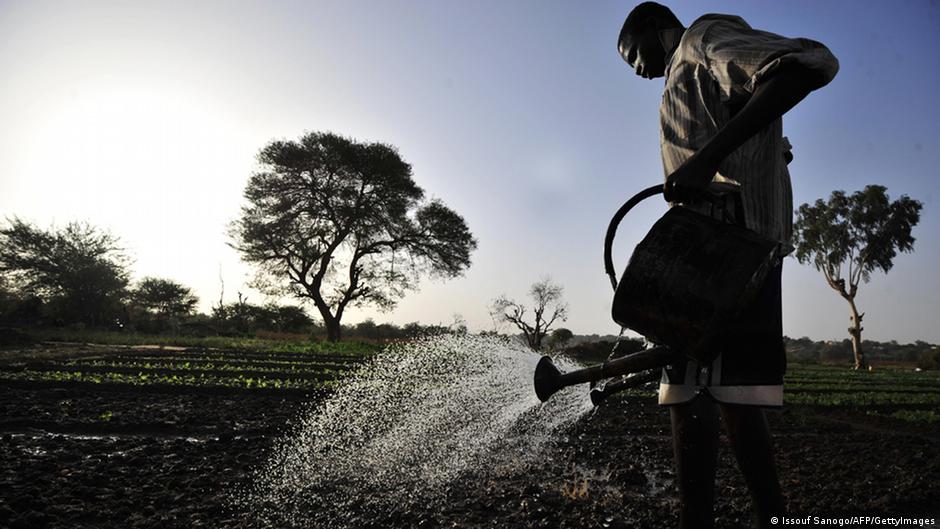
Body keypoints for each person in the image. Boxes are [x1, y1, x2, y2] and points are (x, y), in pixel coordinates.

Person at [616, 3, 838, 528]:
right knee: (730, 394)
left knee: (692, 393)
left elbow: (806, 65)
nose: (636, 70)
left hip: (724, 251)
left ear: (652, 27)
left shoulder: (702, 40)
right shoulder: (685, 71)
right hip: (724, 244)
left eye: (632, 55)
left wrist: (707, 159)